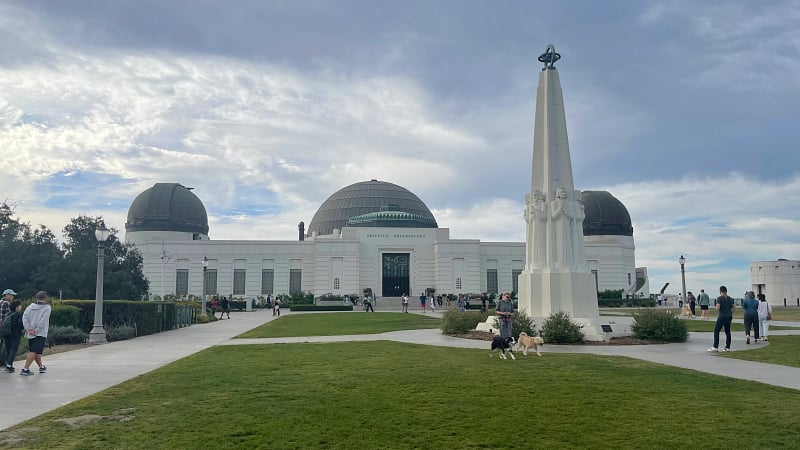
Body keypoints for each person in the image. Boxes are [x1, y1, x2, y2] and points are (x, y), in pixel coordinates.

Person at [20, 291, 51, 376]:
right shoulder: (47, 308)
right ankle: (25, 369)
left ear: (36, 298)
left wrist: (28, 329)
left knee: (36, 351)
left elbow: (24, 318)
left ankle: (41, 366)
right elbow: (43, 321)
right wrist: (36, 330)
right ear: (45, 298)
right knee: (34, 351)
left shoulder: (30, 307)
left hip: (30, 333)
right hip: (40, 333)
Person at [708, 286, 734, 353]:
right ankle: (727, 347)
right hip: (729, 316)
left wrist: (716, 308)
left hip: (722, 316)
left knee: (716, 331)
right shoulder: (730, 299)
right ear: (726, 291)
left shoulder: (719, 298)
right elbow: (733, 309)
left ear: (720, 291)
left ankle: (715, 347)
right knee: (727, 331)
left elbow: (718, 308)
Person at [2, 300, 24, 372]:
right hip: (15, 334)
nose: (21, 307)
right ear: (16, 307)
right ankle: (9, 365)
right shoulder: (17, 314)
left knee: (8, 349)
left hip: (6, 334)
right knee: (13, 350)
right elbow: (20, 325)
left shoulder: (7, 314)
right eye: (20, 305)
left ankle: (8, 364)